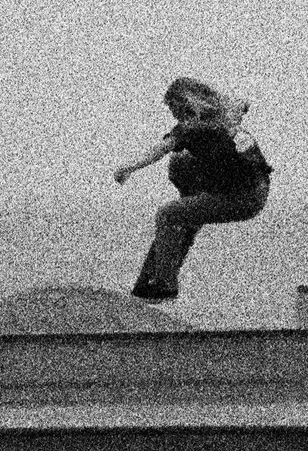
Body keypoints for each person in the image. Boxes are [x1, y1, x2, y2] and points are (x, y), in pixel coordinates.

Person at [116, 78, 272, 303]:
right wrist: (236, 112)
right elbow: (242, 104)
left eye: (172, 109)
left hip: (241, 198)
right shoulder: (221, 117)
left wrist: (130, 167)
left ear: (182, 105)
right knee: (181, 164)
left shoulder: (191, 128)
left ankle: (165, 284)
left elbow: (160, 150)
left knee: (167, 214)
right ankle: (189, 215)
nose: (172, 116)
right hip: (256, 188)